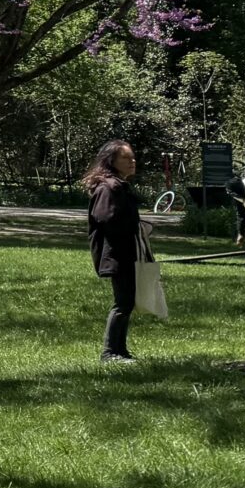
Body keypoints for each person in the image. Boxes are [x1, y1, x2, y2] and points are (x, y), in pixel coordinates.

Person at [86, 140, 146, 364]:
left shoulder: (118, 185)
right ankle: (109, 353)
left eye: (133, 157)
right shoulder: (109, 187)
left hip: (126, 251)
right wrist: (131, 227)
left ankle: (121, 350)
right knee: (123, 302)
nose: (132, 161)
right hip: (116, 253)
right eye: (125, 158)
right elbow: (105, 218)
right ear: (111, 160)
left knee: (127, 301)